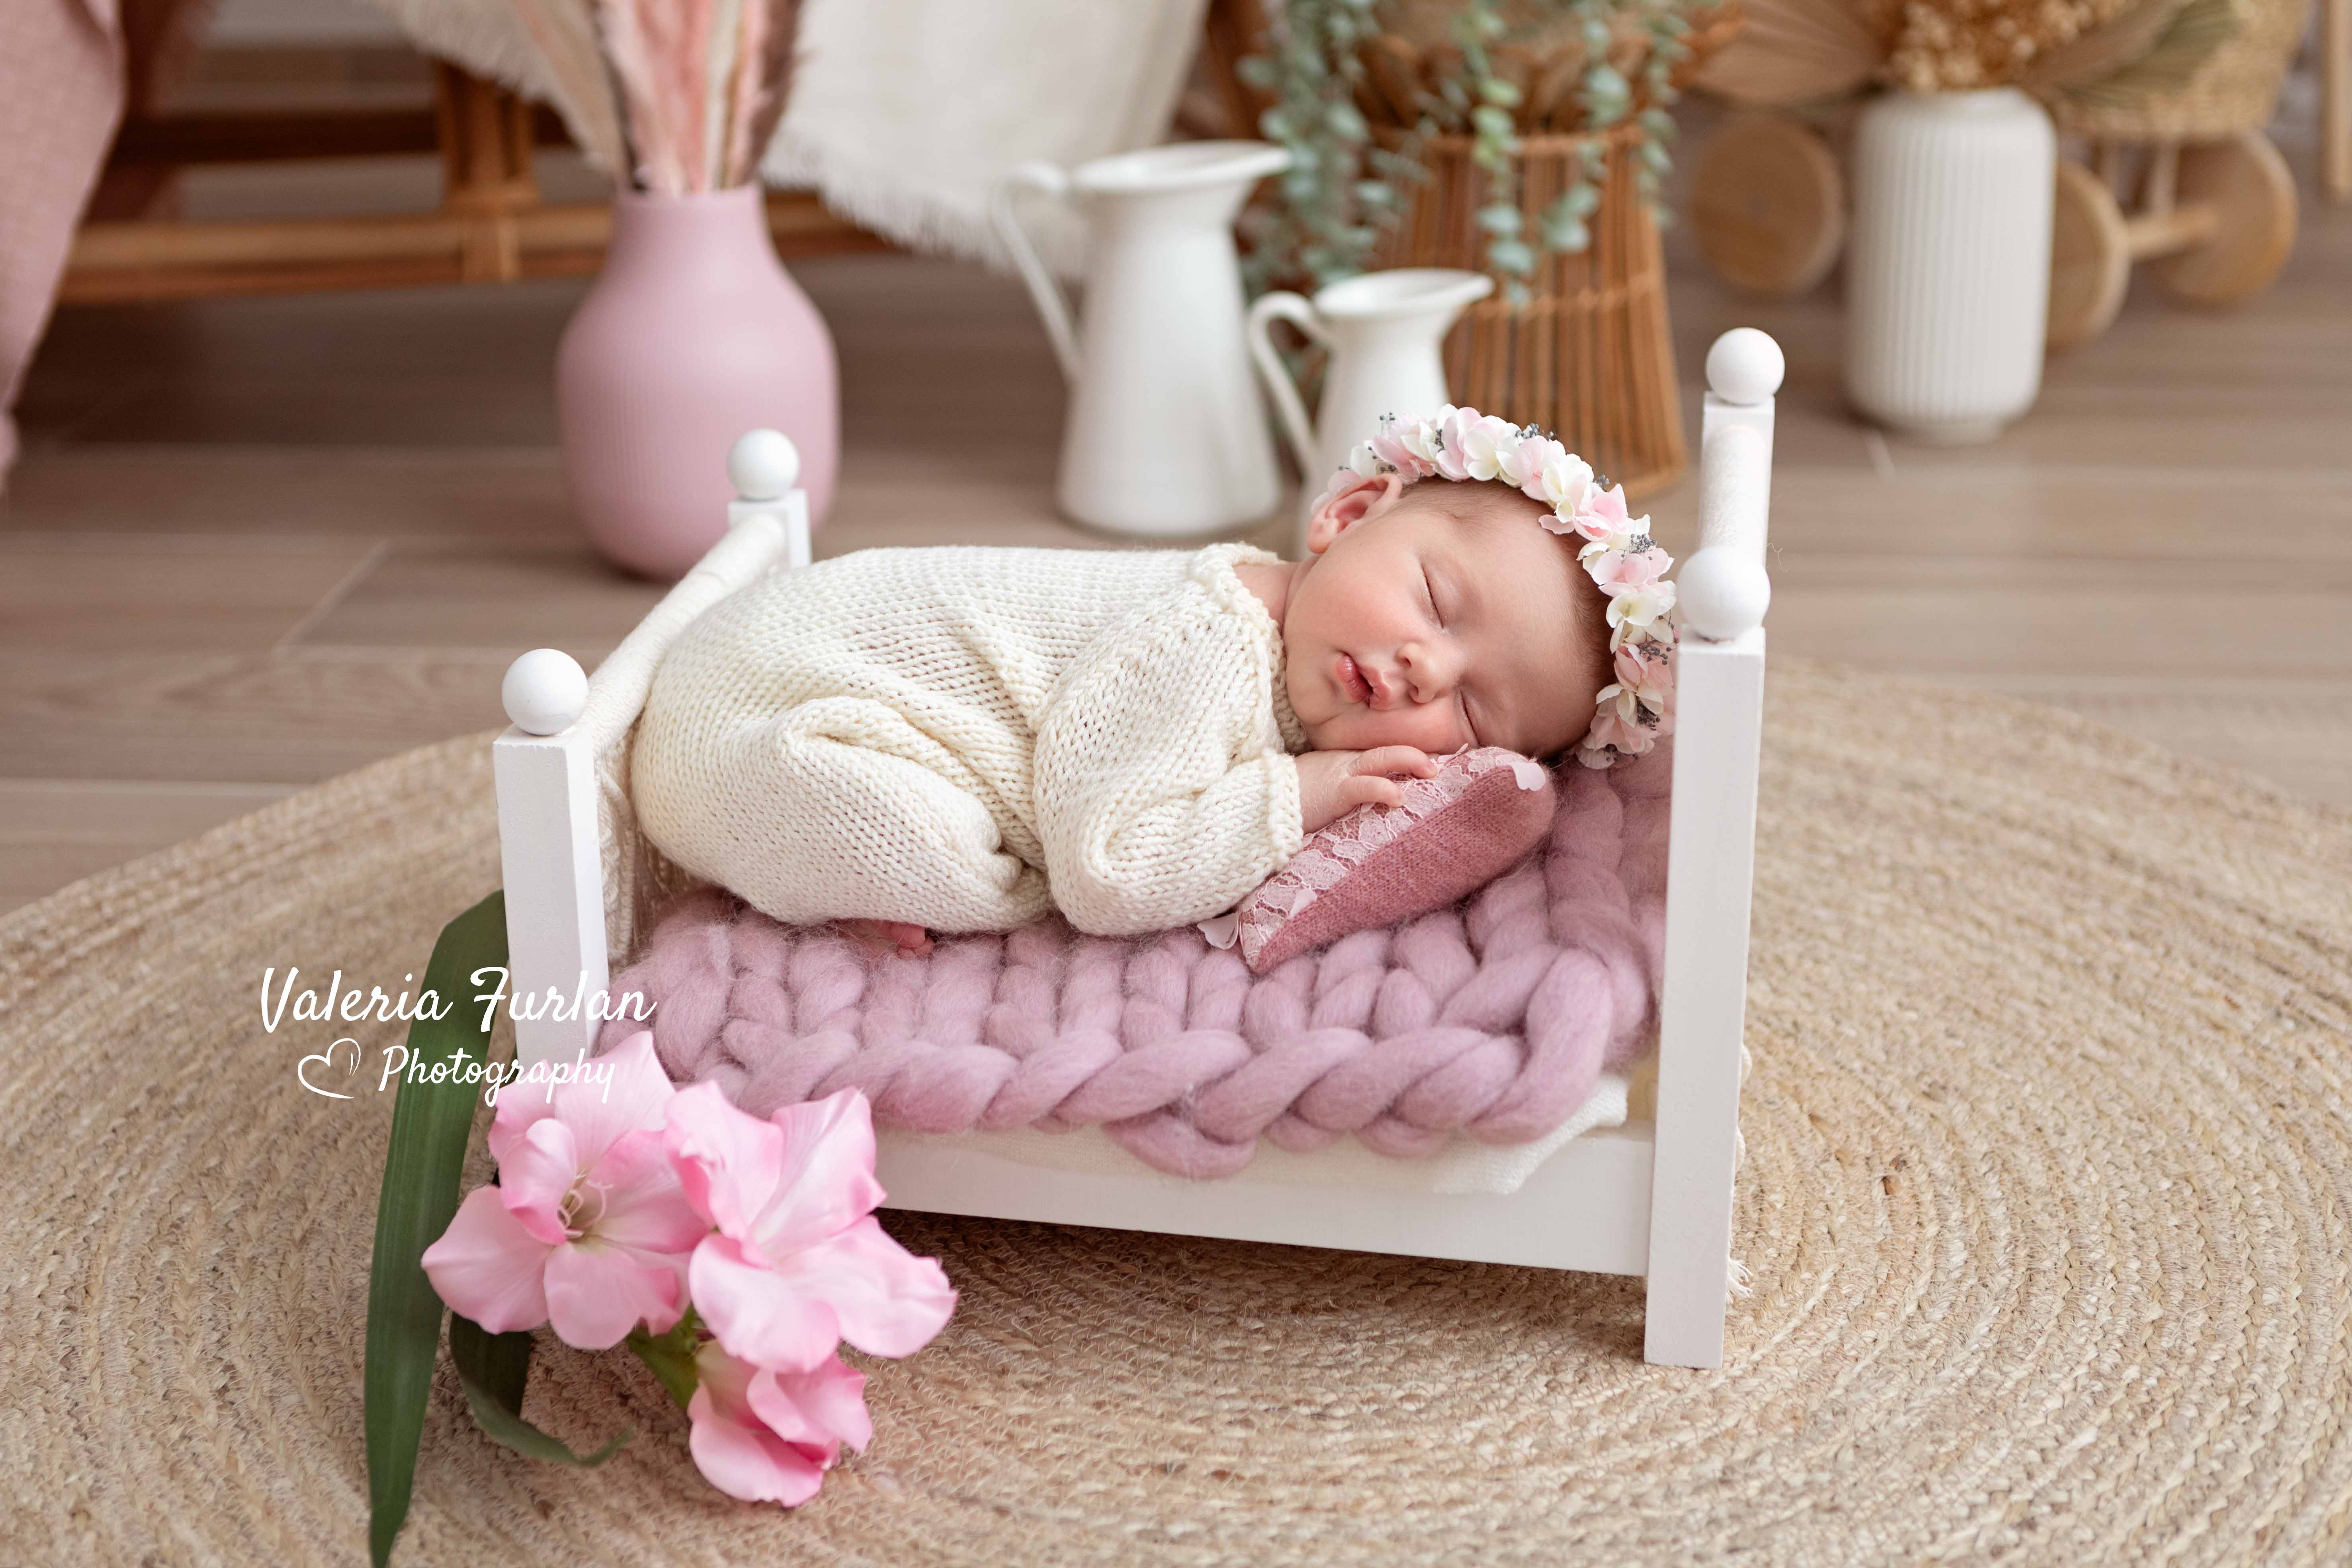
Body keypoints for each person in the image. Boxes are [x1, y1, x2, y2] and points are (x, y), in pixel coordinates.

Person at [628, 408, 1677, 953]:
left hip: (778, 682)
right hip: (754, 716)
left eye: (1471, 708)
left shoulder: (1283, 624)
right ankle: (809, 892)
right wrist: (1290, 799)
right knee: (980, 876)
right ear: (1347, 517)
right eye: (1437, 604)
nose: (1422, 668)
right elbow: (1109, 871)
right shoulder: (1206, 645)